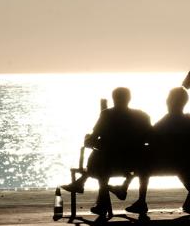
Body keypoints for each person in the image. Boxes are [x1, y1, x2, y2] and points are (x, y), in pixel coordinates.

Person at [61, 87, 151, 218]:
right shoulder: (142, 116)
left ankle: (85, 188)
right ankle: (91, 193)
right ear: (129, 99)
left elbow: (93, 138)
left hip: (108, 164)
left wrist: (89, 140)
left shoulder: (107, 115)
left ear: (114, 99)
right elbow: (150, 138)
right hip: (135, 163)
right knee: (103, 157)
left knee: (100, 158)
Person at [126, 87, 190, 214]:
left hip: (167, 163)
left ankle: (141, 201)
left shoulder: (167, 120)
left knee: (143, 166)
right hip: (189, 162)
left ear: (171, 102)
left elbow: (149, 137)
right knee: (187, 167)